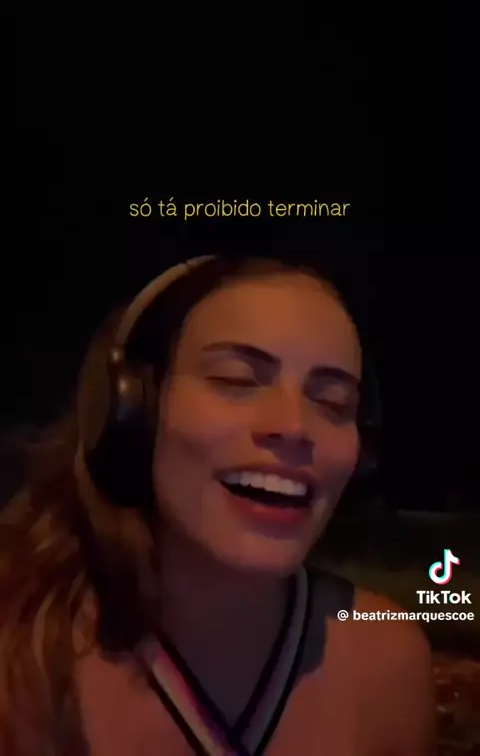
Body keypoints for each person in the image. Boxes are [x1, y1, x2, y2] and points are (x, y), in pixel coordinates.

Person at [0, 255, 436, 755]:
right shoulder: (18, 646)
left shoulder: (386, 660)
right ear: (133, 409)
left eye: (333, 403)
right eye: (236, 380)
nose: (294, 427)